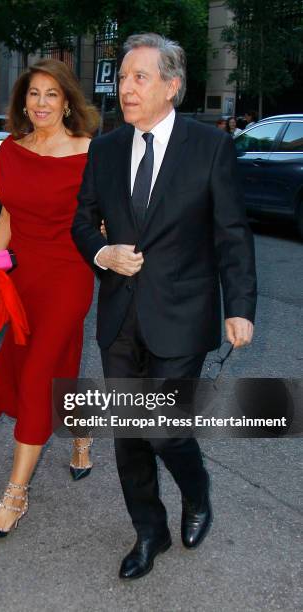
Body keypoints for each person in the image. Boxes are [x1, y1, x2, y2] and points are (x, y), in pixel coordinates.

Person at [72, 33, 257, 580]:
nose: (125, 88)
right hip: (119, 315)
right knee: (129, 434)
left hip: (183, 313)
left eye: (139, 78)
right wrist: (103, 252)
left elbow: (232, 233)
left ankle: (196, 493)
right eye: (123, 77)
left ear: (171, 87)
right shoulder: (104, 149)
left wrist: (240, 304)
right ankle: (149, 531)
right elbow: (82, 221)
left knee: (165, 429)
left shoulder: (209, 147)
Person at [0, 59, 99, 538]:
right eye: (33, 94)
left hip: (68, 274)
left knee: (37, 370)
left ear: (68, 100)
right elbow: (8, 212)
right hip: (23, 274)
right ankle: (82, 434)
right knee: (58, 362)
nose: (41, 103)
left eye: (51, 94)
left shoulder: (90, 151)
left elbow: (105, 213)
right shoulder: (11, 150)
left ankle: (14, 496)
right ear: (22, 101)